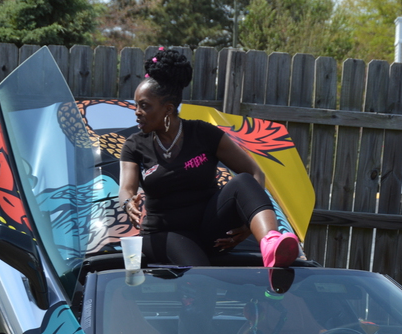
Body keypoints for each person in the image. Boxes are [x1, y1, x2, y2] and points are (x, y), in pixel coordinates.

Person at [118, 47, 299, 268]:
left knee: (243, 181)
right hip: (163, 234)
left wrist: (247, 224)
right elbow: (126, 188)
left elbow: (254, 172)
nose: (137, 112)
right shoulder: (135, 145)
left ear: (168, 109)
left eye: (144, 106)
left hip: (209, 229)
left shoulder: (204, 134)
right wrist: (128, 203)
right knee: (200, 271)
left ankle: (271, 243)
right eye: (136, 105)